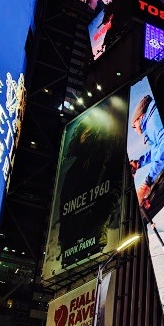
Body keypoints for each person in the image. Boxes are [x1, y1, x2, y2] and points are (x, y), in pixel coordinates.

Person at [57, 103, 124, 267]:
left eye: (90, 133)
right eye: (84, 133)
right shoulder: (73, 169)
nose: (86, 136)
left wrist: (100, 221)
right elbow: (64, 206)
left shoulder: (104, 156)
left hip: (94, 235)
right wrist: (65, 241)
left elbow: (114, 186)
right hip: (72, 247)